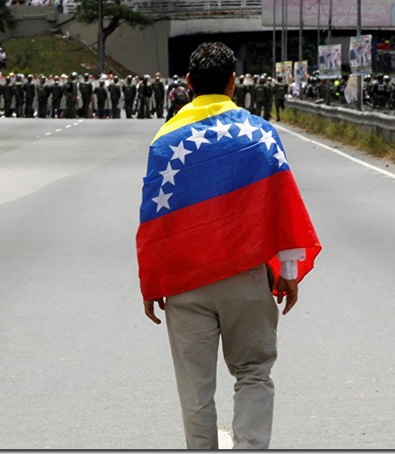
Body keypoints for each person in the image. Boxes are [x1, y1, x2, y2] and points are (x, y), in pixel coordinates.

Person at [136, 42, 321, 450]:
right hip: (247, 278)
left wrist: (152, 282)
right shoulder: (258, 134)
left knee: (195, 391)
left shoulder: (166, 141)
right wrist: (288, 274)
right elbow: (283, 204)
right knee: (254, 372)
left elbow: (153, 219)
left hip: (187, 283)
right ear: (233, 83)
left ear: (187, 84)